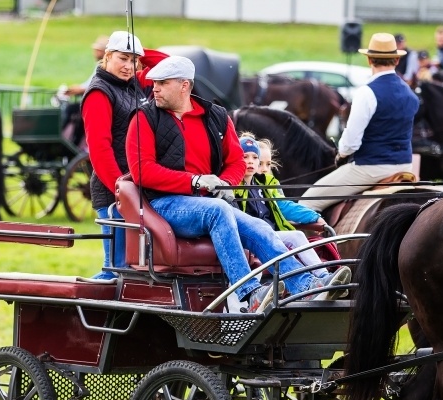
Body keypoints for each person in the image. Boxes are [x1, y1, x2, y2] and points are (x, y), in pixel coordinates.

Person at [125, 56, 351, 312]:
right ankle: (250, 292)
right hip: (163, 204)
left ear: (184, 85)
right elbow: (142, 172)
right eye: (154, 82)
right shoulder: (143, 118)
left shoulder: (216, 116)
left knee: (257, 226)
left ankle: (307, 285)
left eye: (162, 83)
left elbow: (236, 162)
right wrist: (195, 181)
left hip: (208, 203)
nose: (154, 88)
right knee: (218, 211)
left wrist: (225, 185)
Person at [299, 33, 419, 213]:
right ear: (396, 60)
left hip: (370, 168)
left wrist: (341, 154)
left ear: (369, 59)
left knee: (306, 203)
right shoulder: (410, 93)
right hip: (405, 166)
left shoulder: (367, 93)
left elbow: (351, 142)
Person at [81, 30, 167, 280]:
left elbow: (168, 65)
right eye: (122, 58)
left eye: (133, 61)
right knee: (117, 269)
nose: (128, 66)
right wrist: (122, 193)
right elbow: (99, 150)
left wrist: (138, 50)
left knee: (132, 271)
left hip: (136, 189)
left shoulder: (135, 84)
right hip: (114, 193)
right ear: (106, 57)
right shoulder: (99, 92)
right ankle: (84, 312)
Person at [234, 134, 331, 278]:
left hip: (271, 233)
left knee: (297, 235)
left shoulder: (263, 185)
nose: (252, 162)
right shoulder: (233, 186)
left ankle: (323, 276)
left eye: (255, 158)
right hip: (252, 237)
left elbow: (284, 206)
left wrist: (313, 217)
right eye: (245, 157)